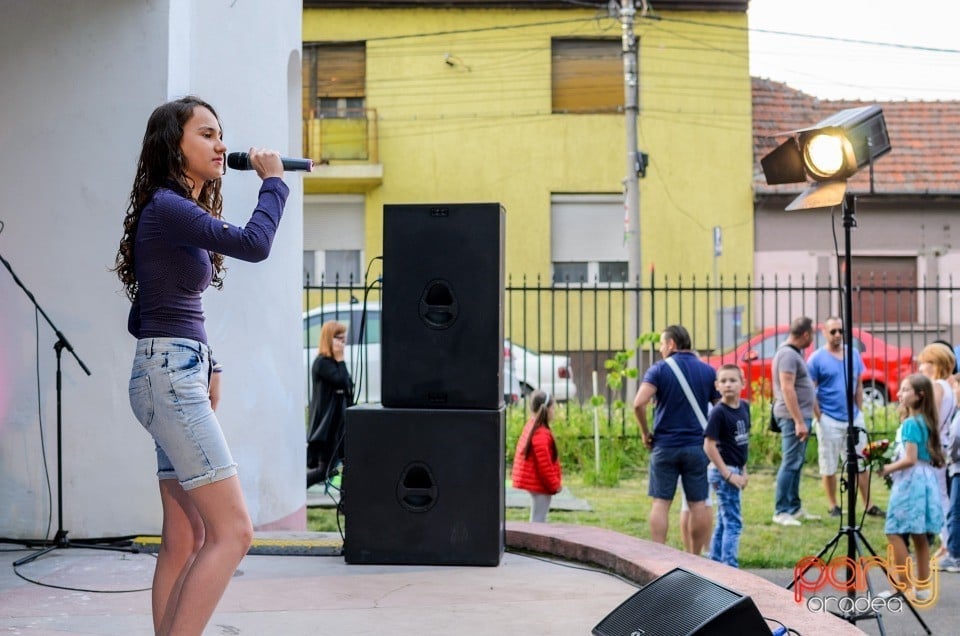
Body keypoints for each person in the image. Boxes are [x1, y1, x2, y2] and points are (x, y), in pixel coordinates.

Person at [114, 96, 288, 636]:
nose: (220, 145)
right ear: (175, 144)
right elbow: (254, 244)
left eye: (221, 134)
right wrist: (274, 182)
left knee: (186, 537)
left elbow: (146, 313)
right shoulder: (168, 206)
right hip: (169, 378)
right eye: (207, 134)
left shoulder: (169, 211)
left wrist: (206, 359)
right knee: (233, 532)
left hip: (167, 372)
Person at [634, 324, 719, 554]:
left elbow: (639, 403)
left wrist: (645, 432)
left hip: (665, 446)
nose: (660, 348)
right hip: (696, 447)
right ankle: (695, 557)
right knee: (698, 503)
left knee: (661, 502)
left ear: (671, 344)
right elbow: (720, 407)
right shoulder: (707, 371)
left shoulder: (659, 370)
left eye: (662, 343)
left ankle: (658, 554)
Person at [878, 374, 945, 602]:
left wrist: (886, 468)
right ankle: (923, 586)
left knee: (894, 531)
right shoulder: (926, 422)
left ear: (919, 396)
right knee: (919, 535)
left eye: (905, 390)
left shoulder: (909, 424)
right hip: (925, 480)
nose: (899, 394)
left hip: (910, 481)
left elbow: (910, 458)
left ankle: (902, 586)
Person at [807, 317, 883, 518]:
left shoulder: (853, 354)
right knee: (829, 463)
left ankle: (868, 504)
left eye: (841, 331)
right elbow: (810, 391)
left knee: (860, 462)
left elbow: (858, 384)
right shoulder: (816, 359)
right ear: (824, 333)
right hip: (829, 418)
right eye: (833, 332)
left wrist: (859, 412)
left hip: (853, 417)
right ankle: (834, 505)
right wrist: (820, 416)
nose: (838, 335)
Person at [771, 316, 821, 526]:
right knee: (790, 463)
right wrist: (799, 421)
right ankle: (781, 510)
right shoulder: (787, 355)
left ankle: (794, 507)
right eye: (813, 335)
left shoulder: (794, 354)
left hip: (800, 416)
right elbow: (787, 387)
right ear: (806, 334)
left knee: (796, 463)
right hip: (793, 418)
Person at [704, 364, 750, 568]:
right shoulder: (718, 413)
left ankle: (715, 563)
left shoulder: (744, 408)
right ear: (717, 386)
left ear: (743, 383)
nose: (728, 385)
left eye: (733, 380)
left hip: (736, 469)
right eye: (723, 381)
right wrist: (728, 475)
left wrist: (744, 471)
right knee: (734, 523)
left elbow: (743, 442)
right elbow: (709, 446)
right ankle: (730, 567)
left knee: (724, 521)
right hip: (723, 472)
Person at [916, 342, 956, 557]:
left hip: (934, 447)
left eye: (924, 363)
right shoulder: (947, 385)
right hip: (941, 445)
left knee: (940, 498)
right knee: (941, 495)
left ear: (934, 364)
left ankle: (948, 542)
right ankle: (946, 541)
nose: (921, 367)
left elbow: (933, 419)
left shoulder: (937, 386)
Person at [306, 320, 354, 488]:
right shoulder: (322, 363)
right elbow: (342, 382)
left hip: (341, 425)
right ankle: (296, 490)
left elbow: (348, 386)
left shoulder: (334, 363)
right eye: (339, 338)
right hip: (329, 428)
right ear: (329, 339)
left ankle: (345, 504)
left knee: (349, 464)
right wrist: (341, 359)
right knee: (323, 471)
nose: (343, 343)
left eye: (344, 338)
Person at [511, 390, 562, 522]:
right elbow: (544, 465)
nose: (554, 411)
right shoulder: (541, 433)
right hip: (539, 484)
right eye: (553, 408)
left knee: (537, 519)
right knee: (538, 521)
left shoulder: (532, 426)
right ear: (547, 409)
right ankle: (534, 542)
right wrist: (554, 485)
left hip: (537, 483)